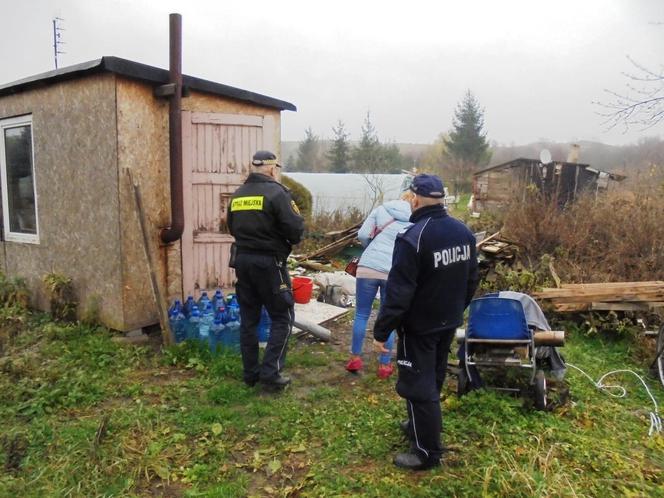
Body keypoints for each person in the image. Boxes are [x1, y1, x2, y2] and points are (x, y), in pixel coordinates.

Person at [373, 174, 479, 470]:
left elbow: (398, 292)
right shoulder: (464, 233)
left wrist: (382, 329)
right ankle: (418, 424)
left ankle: (426, 452)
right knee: (432, 377)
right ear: (441, 198)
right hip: (448, 321)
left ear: (415, 199)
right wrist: (457, 308)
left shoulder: (413, 238)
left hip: (419, 327)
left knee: (419, 387)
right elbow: (472, 279)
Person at [227, 150, 304, 393]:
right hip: (270, 264)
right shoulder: (277, 193)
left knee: (249, 319)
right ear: (271, 169)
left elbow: (230, 227)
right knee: (282, 316)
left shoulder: (237, 195)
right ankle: (271, 373)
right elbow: (295, 229)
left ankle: (250, 374)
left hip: (242, 261)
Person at [345, 197, 412, 378]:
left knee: (361, 313)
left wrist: (371, 248)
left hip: (368, 267)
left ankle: (355, 358)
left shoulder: (381, 209)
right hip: (393, 271)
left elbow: (362, 235)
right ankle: (384, 365)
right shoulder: (415, 218)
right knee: (388, 316)